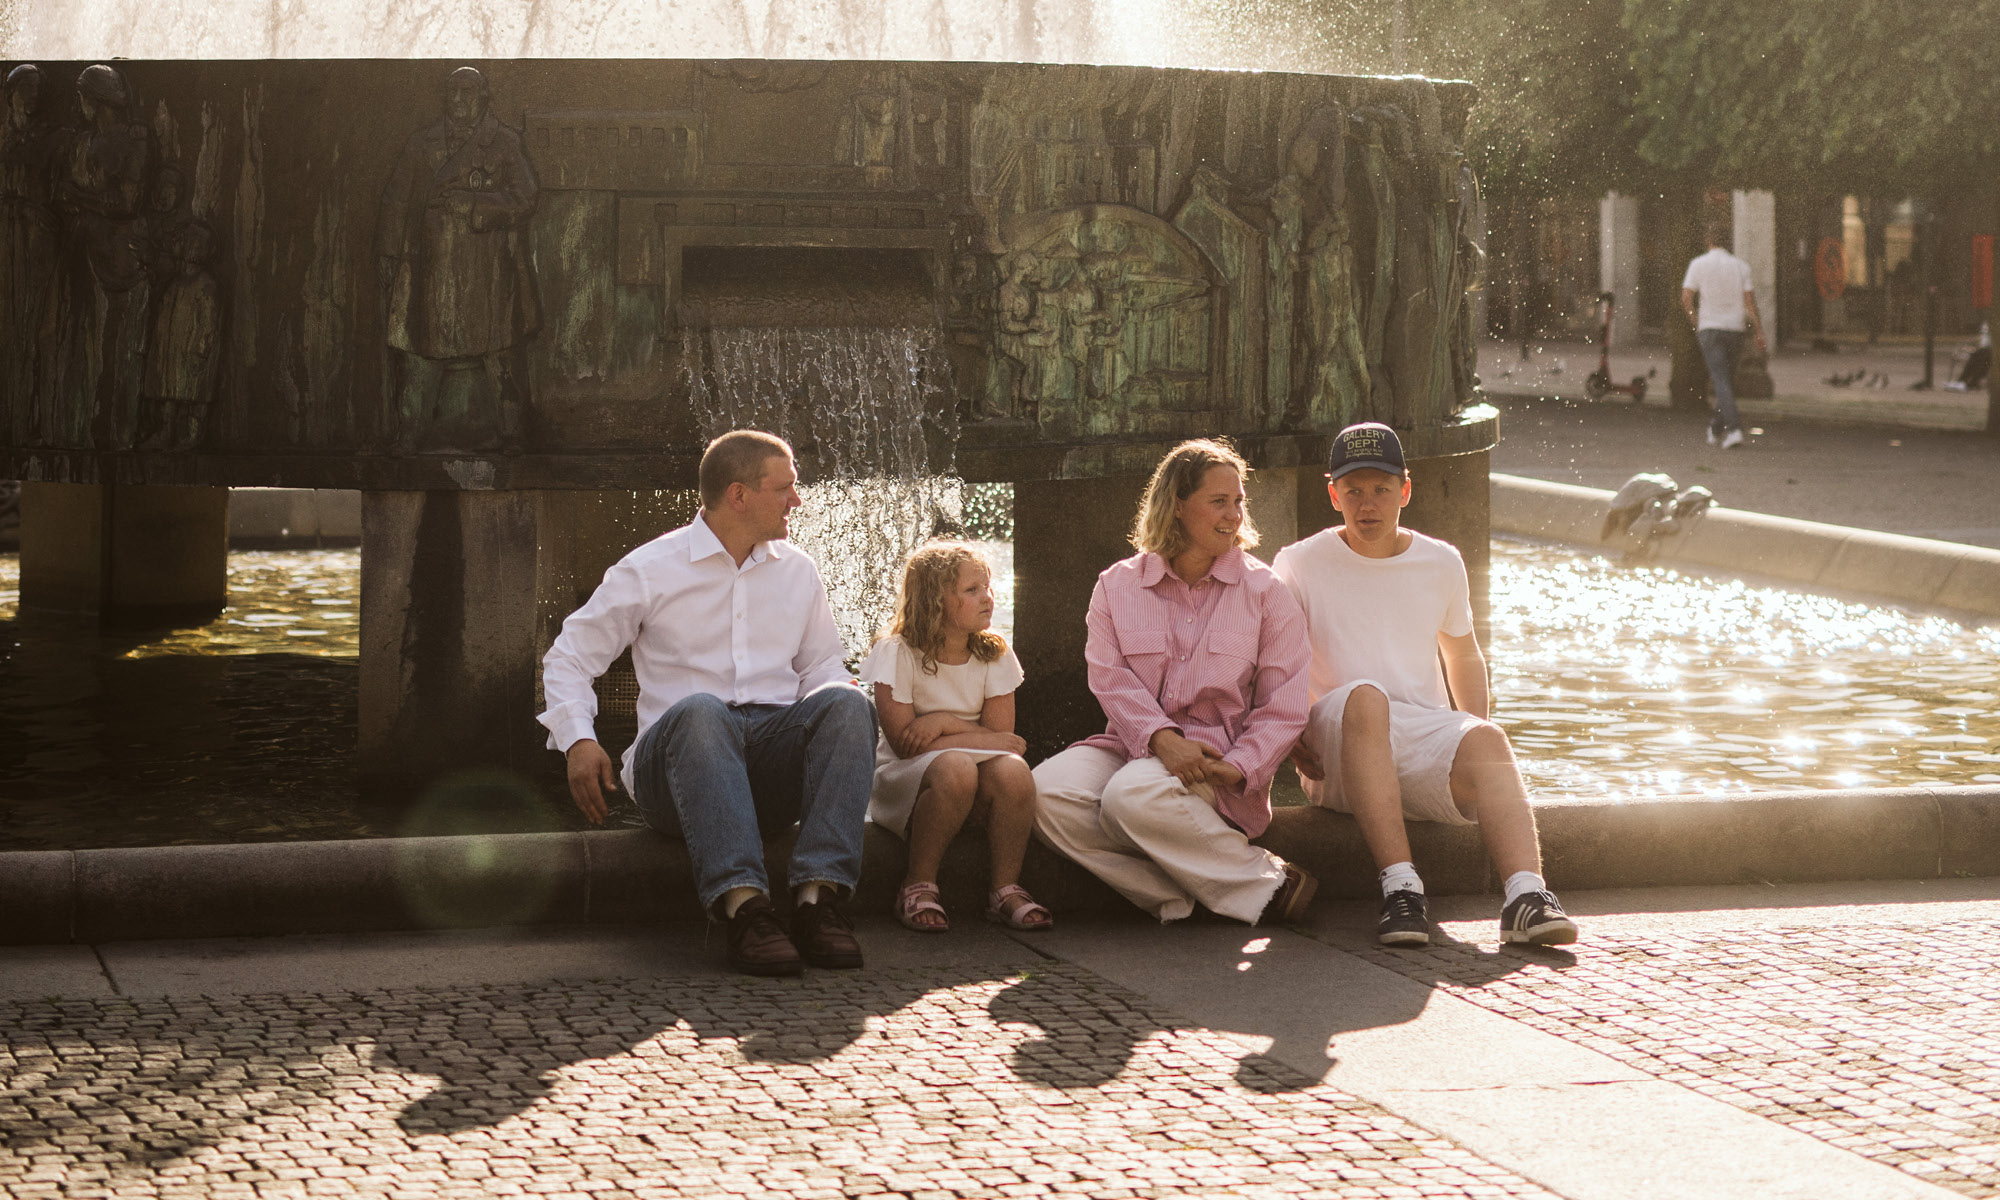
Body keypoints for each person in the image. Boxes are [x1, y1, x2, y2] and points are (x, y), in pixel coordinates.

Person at [538, 430, 878, 977]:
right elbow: (569, 657)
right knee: (703, 710)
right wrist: (579, 739)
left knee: (846, 701)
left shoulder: (798, 570)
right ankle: (746, 911)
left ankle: (819, 902)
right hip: (675, 774)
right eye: (785, 488)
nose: (798, 500)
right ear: (739, 495)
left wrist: (847, 726)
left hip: (767, 768)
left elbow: (823, 668)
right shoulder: (649, 569)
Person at [1273, 422, 1579, 948]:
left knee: (1489, 739)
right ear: (1333, 494)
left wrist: (1474, 723)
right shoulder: (1299, 563)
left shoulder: (1440, 560)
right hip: (1338, 744)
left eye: (1381, 490)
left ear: (1405, 490)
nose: (1367, 504)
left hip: (1417, 741)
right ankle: (1401, 890)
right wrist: (1294, 732)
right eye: (1353, 491)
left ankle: (1526, 897)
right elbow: (1278, 663)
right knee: (1367, 697)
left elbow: (1462, 651)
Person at [1032, 439, 1317, 926]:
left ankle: (1268, 884)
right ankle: (1175, 893)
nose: (1234, 514)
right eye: (1219, 501)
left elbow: (1284, 703)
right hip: (1128, 745)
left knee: (1130, 797)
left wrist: (1240, 766)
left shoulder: (1266, 592)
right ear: (1178, 506)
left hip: (1215, 763)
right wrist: (1162, 739)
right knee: (1041, 793)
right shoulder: (1116, 585)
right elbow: (1109, 677)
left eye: (1238, 501)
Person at [860, 541, 1049, 933]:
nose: (988, 598)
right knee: (957, 769)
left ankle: (1004, 889)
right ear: (935, 600)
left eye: (989, 587)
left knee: (1014, 773)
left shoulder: (994, 653)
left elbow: (1003, 740)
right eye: (972, 590)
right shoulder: (897, 652)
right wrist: (973, 739)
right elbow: (904, 743)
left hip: (964, 764)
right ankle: (917, 884)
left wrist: (943, 722)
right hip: (905, 776)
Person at [1681, 225, 1766, 449]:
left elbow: (1686, 297)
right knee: (1726, 379)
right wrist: (1758, 331)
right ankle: (1715, 428)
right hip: (1734, 329)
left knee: (1720, 379)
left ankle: (1734, 428)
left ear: (1708, 240)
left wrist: (1696, 321)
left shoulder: (1698, 264)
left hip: (1710, 327)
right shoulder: (1740, 267)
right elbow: (1750, 302)